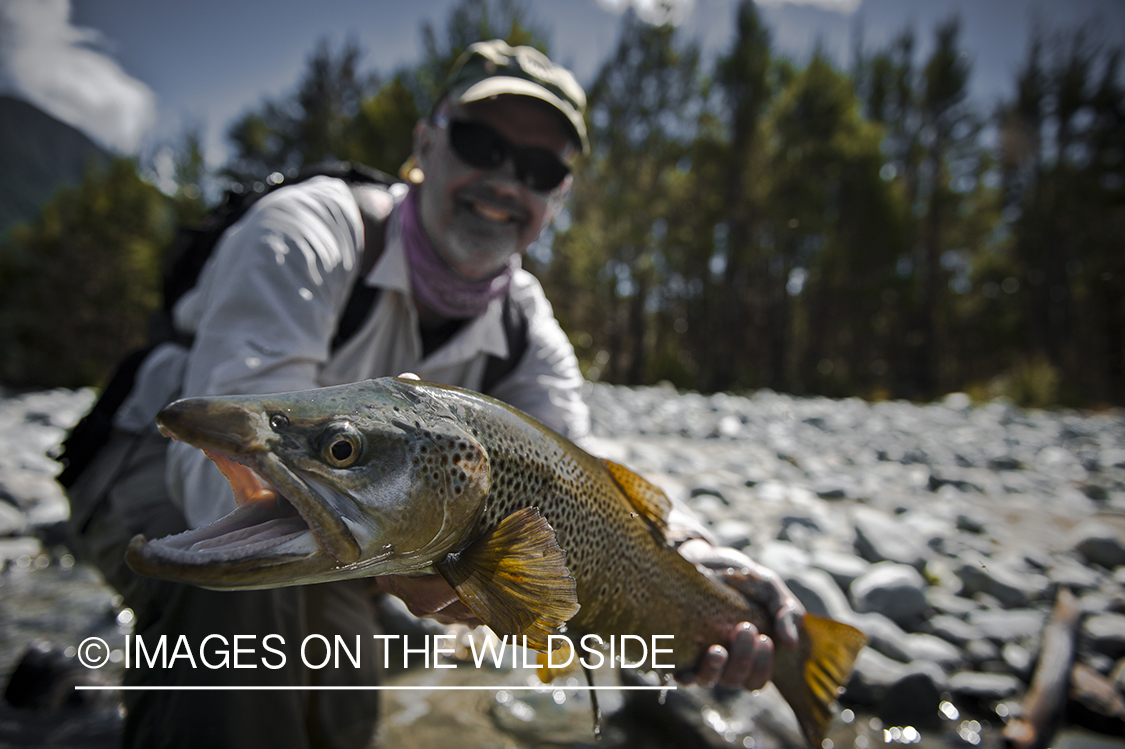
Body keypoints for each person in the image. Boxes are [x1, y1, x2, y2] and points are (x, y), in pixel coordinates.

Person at [66, 40, 803, 749]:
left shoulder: (525, 322)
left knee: (337, 713)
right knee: (243, 612)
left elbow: (582, 485)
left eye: (540, 167)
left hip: (361, 516)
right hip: (149, 470)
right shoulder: (309, 228)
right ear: (424, 143)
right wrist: (417, 561)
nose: (506, 181)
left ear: (557, 197)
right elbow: (217, 477)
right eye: (482, 145)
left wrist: (702, 560)